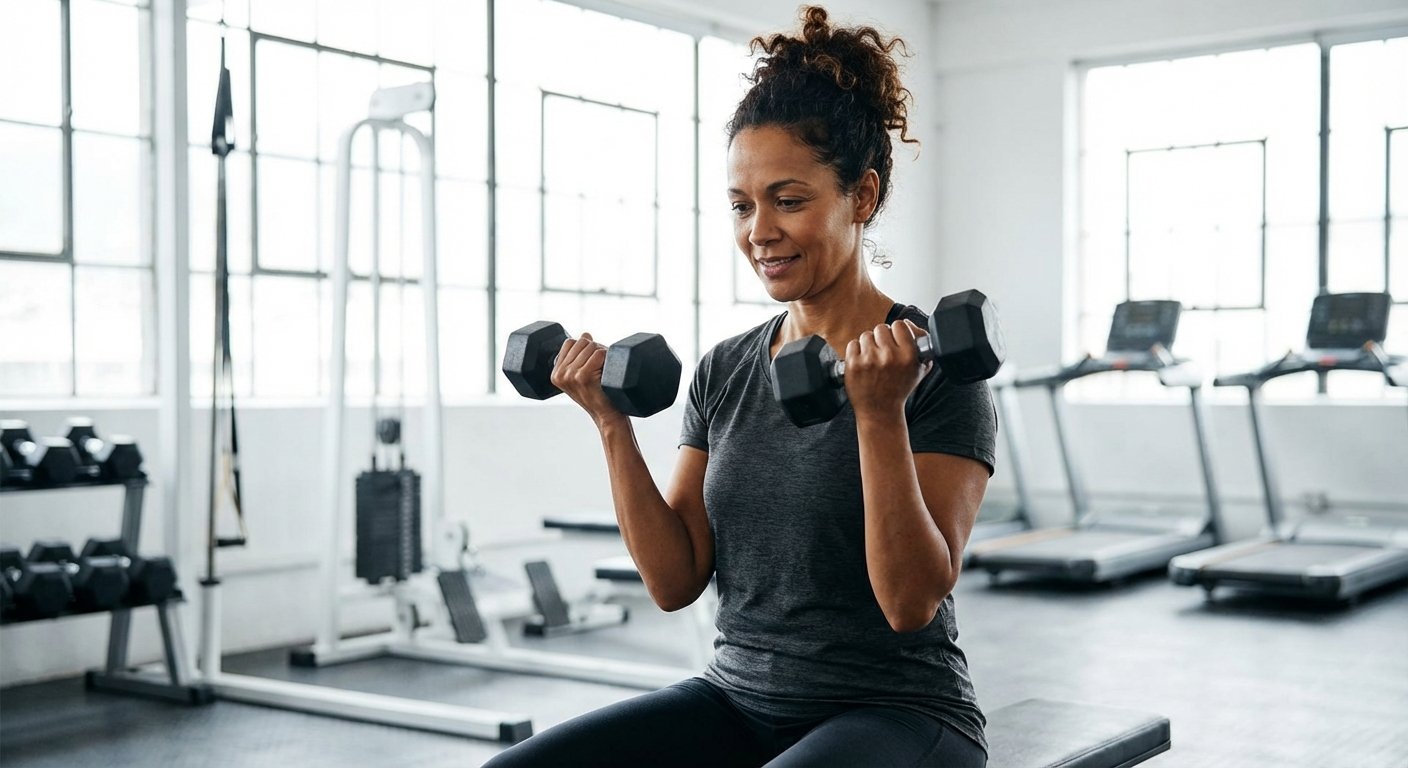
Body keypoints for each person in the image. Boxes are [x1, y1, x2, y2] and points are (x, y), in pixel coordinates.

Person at [485, 6, 996, 767]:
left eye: (788, 200)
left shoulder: (929, 368)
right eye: (741, 203)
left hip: (898, 712)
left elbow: (909, 602)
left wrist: (878, 415)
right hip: (736, 697)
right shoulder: (726, 368)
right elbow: (674, 579)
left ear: (861, 197)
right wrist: (609, 424)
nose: (759, 229)